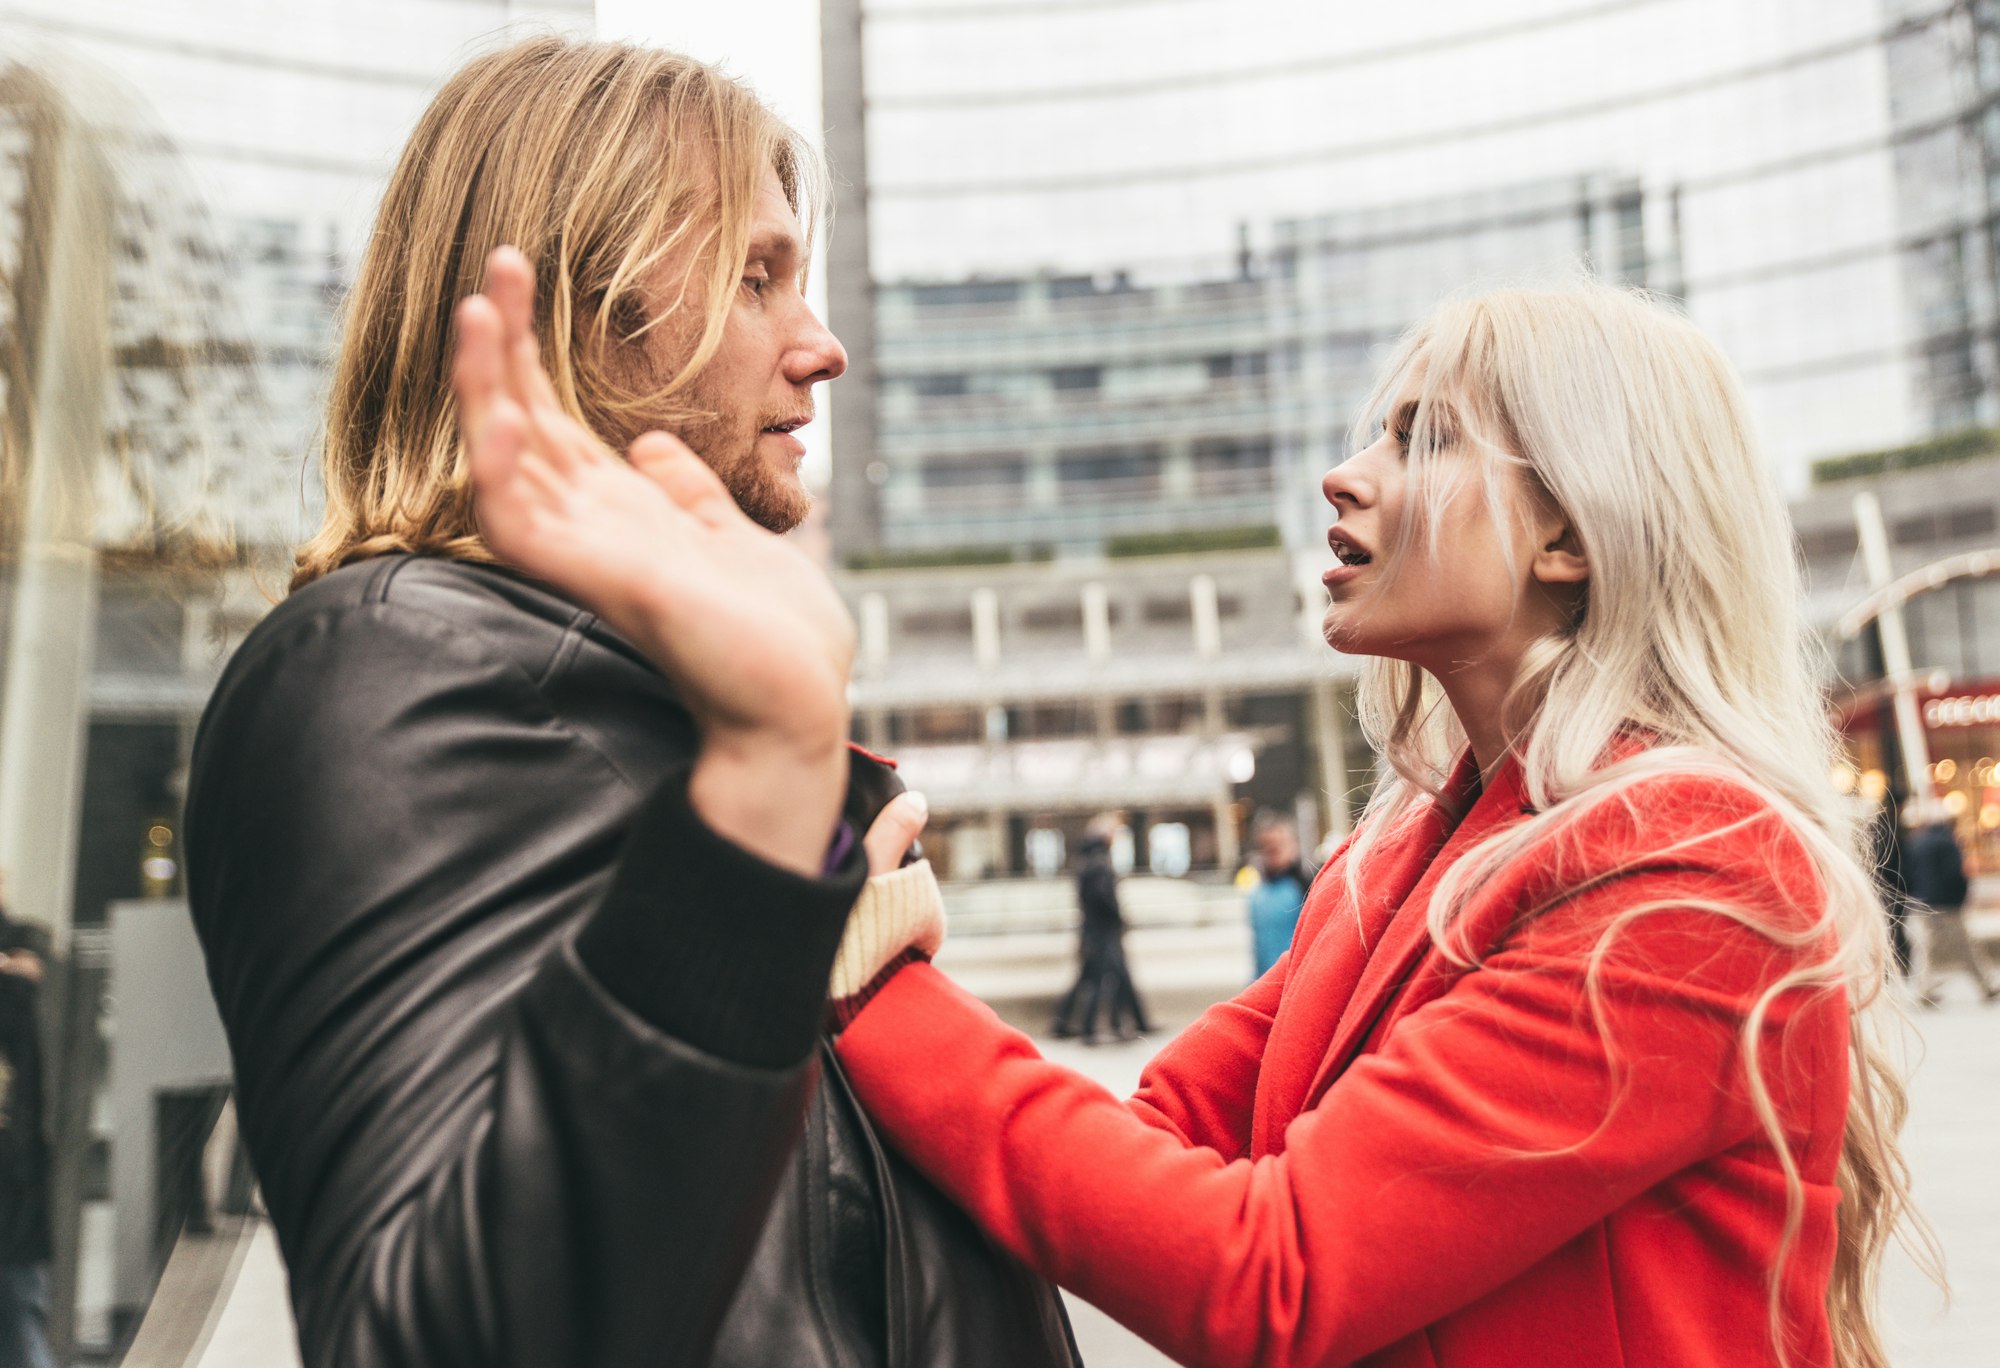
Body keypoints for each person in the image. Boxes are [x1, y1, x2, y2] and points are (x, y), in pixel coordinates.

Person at [814, 286, 1923, 1365]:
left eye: (1424, 438)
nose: (1343, 477)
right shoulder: (1387, 863)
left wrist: (868, 974)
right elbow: (1147, 1146)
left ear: (1569, 535)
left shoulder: (1696, 871)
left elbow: (1262, 1279)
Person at [184, 38, 1077, 1368]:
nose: (821, 348)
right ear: (570, 312)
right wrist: (768, 806)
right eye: (754, 278)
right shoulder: (379, 669)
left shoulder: (612, 698)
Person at [0, 878, 53, 1368]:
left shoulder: (25, 954)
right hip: (17, 1177)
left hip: (13, 1181)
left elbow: (33, 963)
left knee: (19, 1311)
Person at [1049, 819, 1153, 1044]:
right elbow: (1105, 899)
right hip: (1103, 932)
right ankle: (1097, 1028)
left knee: (1095, 978)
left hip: (1094, 931)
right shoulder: (1100, 863)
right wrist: (1119, 919)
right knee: (1105, 978)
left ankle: (1070, 1023)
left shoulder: (1085, 861)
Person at [1901, 802, 2000, 1005]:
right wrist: (1961, 897)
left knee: (1926, 947)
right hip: (1946, 904)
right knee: (1964, 946)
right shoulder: (1947, 843)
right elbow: (1956, 874)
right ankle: (1985, 984)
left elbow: (1909, 874)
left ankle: (1923, 988)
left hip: (1924, 901)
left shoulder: (1917, 842)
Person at [1244, 809, 1312, 978]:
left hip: (1297, 981)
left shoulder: (1306, 888)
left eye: (1278, 846)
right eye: (1267, 848)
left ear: (1294, 845)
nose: (1272, 853)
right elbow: (1259, 950)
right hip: (1266, 983)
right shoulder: (1256, 894)